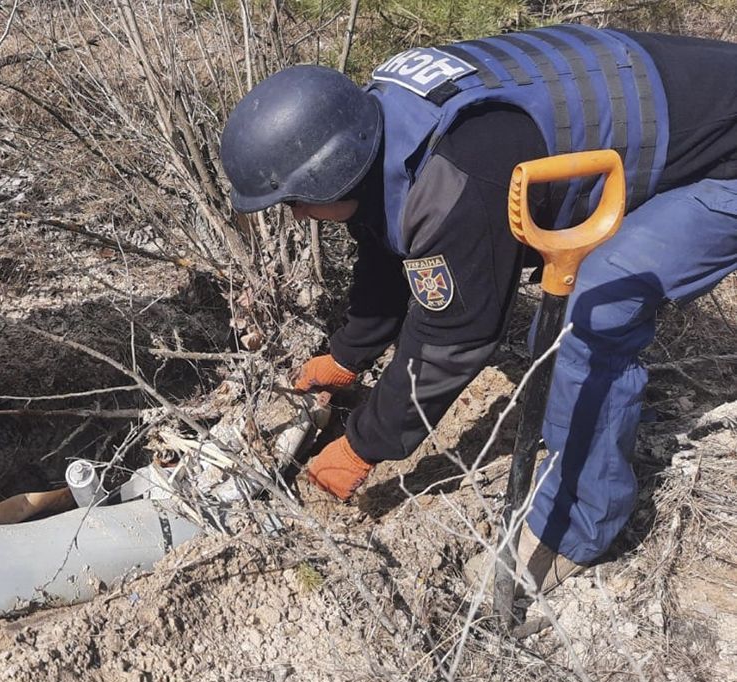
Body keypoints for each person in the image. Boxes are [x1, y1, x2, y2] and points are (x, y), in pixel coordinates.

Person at [220, 26, 737, 592]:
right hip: (683, 100)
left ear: (334, 172)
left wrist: (363, 446)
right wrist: (347, 356)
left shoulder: (461, 172)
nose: (296, 215)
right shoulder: (379, 124)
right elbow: (388, 240)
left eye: (296, 200)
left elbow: (454, 336)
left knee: (588, 310)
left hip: (724, 154)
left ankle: (573, 528)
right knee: (575, 311)